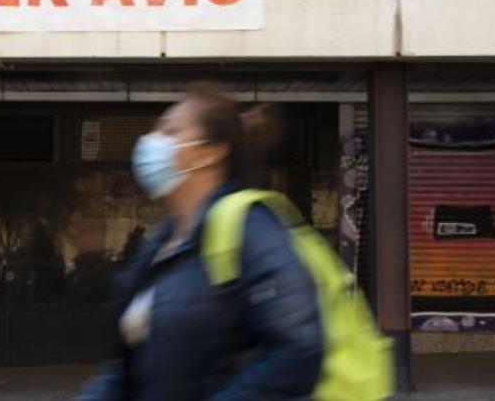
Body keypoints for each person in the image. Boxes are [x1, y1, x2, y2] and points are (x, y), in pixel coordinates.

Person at [74, 85, 324, 400]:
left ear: (209, 153)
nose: (151, 142)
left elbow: (299, 348)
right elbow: (124, 371)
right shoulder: (157, 247)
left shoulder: (250, 225)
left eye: (171, 131)